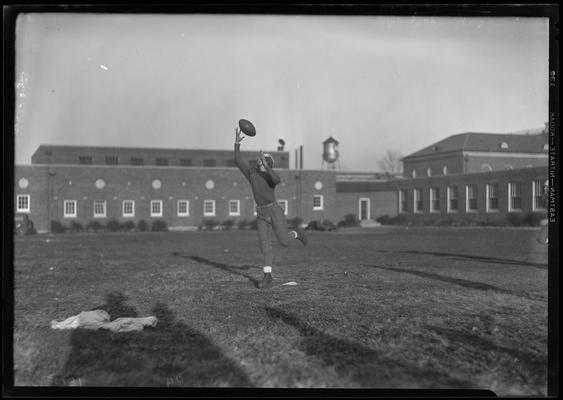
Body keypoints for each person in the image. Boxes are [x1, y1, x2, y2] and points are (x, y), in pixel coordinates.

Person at [234, 127, 307, 289]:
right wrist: (237, 144)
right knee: (264, 246)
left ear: (268, 164)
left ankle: (296, 233)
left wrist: (267, 166)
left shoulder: (270, 176)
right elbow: (238, 161)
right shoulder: (253, 175)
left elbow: (277, 179)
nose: (259, 161)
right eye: (260, 160)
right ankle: (267, 277)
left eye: (263, 161)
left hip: (274, 211)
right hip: (261, 212)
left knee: (283, 242)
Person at [536, 180, 549, 244]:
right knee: (540, 239)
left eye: (547, 187)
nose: (544, 188)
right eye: (544, 187)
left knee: (541, 239)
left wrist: (547, 221)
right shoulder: (546, 198)